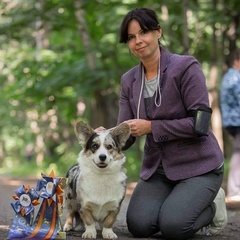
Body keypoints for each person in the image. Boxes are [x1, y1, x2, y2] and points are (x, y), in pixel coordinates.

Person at [116, 7, 227, 240]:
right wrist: (105, 136)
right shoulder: (128, 81)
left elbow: (200, 125)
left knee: (174, 228)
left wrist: (152, 127)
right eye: (131, 37)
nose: (138, 41)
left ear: (158, 32)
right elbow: (125, 136)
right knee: (139, 225)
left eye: (143, 32)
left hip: (199, 166)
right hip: (158, 169)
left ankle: (212, 207)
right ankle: (177, 204)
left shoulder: (186, 67)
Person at [220, 49, 240, 204]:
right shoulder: (235, 77)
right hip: (237, 121)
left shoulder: (230, 76)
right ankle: (234, 190)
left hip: (232, 121)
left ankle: (234, 189)